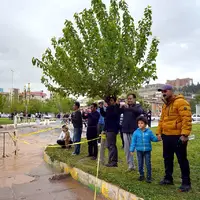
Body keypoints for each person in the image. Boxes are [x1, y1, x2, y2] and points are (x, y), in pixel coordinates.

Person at [156, 84, 192, 192]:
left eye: (165, 91)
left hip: (178, 136)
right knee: (167, 158)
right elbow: (162, 120)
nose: (163, 93)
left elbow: (186, 119)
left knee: (182, 159)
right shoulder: (165, 105)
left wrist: (185, 135)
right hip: (166, 136)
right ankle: (168, 178)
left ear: (171, 91)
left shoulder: (181, 102)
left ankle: (186, 183)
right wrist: (158, 133)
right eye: (162, 91)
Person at [130, 116, 160, 183]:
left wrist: (158, 139)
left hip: (147, 151)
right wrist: (132, 149)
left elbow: (153, 138)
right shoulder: (136, 132)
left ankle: (149, 177)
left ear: (145, 124)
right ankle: (141, 175)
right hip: (139, 151)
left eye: (142, 123)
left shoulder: (149, 132)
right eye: (139, 123)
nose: (140, 124)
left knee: (148, 164)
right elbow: (133, 142)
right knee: (140, 164)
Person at [120, 93, 144, 171]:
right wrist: (119, 105)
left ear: (134, 99)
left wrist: (128, 108)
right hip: (125, 130)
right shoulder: (125, 107)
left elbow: (139, 111)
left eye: (130, 98)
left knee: (137, 150)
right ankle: (131, 165)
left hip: (134, 131)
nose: (129, 100)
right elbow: (117, 112)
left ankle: (140, 167)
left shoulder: (138, 106)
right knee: (127, 150)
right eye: (128, 99)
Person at [100, 95, 120, 167]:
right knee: (109, 145)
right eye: (109, 100)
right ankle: (111, 160)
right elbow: (105, 115)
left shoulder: (115, 108)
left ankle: (113, 161)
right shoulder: (109, 108)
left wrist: (117, 105)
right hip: (108, 129)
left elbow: (113, 115)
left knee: (111, 145)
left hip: (112, 129)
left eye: (111, 100)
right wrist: (101, 108)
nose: (109, 102)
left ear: (114, 101)